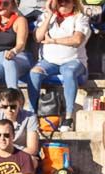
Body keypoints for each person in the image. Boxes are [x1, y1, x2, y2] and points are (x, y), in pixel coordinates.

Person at [27, 0, 90, 132]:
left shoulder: (80, 17)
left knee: (68, 72)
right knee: (34, 73)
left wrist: (53, 41)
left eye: (66, 1)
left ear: (73, 3)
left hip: (74, 60)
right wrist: (50, 14)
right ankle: (32, 113)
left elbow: (77, 40)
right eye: (59, 1)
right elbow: (37, 38)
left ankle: (68, 116)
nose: (62, 3)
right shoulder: (46, 17)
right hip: (49, 61)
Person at [0, 88, 38, 156]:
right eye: (5, 107)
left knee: (33, 160)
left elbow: (32, 150)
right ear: (1, 104)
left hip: (20, 156)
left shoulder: (30, 117)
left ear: (19, 104)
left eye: (13, 107)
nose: (9, 110)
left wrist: (7, 147)